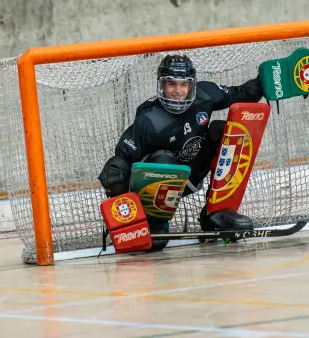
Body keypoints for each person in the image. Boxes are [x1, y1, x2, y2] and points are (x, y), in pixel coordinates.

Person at [98, 54, 264, 251]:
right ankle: (154, 221)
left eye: (184, 85)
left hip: (192, 174)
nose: (178, 91)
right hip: (159, 187)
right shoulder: (149, 119)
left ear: (191, 86)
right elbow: (121, 161)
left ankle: (217, 213)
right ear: (161, 86)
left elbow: (242, 93)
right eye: (171, 84)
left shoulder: (206, 94)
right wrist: (124, 209)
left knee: (227, 130)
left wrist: (273, 78)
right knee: (160, 159)